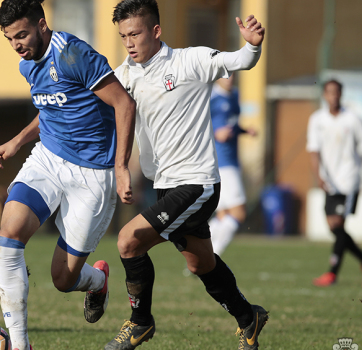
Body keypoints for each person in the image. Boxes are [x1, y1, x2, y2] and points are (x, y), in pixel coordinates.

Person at [108, 1, 268, 349]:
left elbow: (240, 60)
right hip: (164, 187)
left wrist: (252, 45)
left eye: (135, 33)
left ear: (156, 30)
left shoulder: (190, 60)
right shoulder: (126, 75)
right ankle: (248, 318)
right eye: (123, 36)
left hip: (198, 183)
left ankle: (140, 322)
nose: (129, 42)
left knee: (128, 242)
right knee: (201, 264)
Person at [0, 1, 136, 349]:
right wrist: (17, 141)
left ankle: (97, 280)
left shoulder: (73, 55)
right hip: (48, 160)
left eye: (22, 35)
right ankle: (20, 343)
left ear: (42, 25)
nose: (17, 45)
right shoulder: (28, 66)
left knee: (62, 278)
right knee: (9, 234)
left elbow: (124, 104)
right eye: (11, 38)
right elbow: (51, 109)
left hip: (93, 174)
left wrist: (120, 166)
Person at [306, 79, 362, 288]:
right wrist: (318, 176)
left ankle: (332, 273)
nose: (333, 96)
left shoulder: (353, 119)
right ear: (324, 95)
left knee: (338, 225)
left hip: (349, 179)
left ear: (341, 94)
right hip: (329, 182)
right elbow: (314, 151)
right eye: (329, 92)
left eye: (337, 92)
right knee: (334, 228)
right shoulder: (317, 119)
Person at [208, 74, 257, 256]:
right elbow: (195, 123)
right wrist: (215, 133)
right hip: (222, 161)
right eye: (225, 74)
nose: (229, 78)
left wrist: (245, 130)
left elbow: (231, 125)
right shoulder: (210, 96)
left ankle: (201, 257)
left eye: (232, 74)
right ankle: (213, 257)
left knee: (223, 215)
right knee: (239, 214)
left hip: (232, 160)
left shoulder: (235, 95)